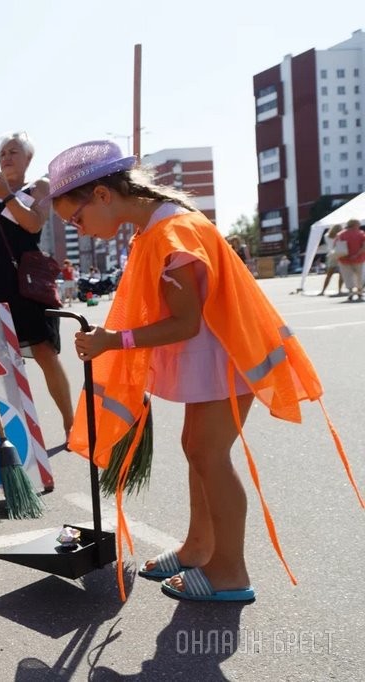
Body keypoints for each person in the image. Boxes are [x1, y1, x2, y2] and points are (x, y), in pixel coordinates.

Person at [46, 140, 348, 603]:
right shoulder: (158, 228)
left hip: (227, 359)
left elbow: (185, 324)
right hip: (216, 360)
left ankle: (229, 571)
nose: (79, 230)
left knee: (209, 456)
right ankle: (199, 547)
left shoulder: (172, 233)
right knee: (197, 450)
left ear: (103, 195)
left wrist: (114, 341)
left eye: (76, 218)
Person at [0, 131, 74, 439]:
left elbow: (33, 223)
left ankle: (70, 422)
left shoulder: (39, 187)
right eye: (3, 152)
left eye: (13, 152)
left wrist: (7, 193)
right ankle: (13, 430)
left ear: (28, 158)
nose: (6, 157)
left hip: (27, 284)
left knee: (45, 353)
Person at [334, 218, 364, 301]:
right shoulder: (360, 233)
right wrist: (356, 254)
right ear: (355, 225)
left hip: (344, 259)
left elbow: (335, 246)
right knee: (359, 276)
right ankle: (359, 292)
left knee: (347, 276)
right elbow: (364, 246)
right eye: (358, 224)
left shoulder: (340, 234)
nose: (359, 225)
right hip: (359, 258)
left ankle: (350, 292)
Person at [318, 224, 345, 296]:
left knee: (329, 275)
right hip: (340, 254)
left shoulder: (326, 236)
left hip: (331, 255)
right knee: (341, 274)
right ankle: (340, 290)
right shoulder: (341, 235)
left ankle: (323, 290)